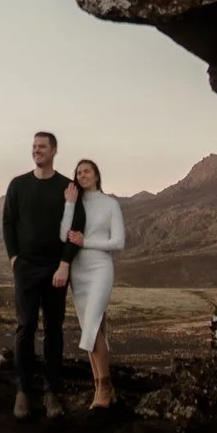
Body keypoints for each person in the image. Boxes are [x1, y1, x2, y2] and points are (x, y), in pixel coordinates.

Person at [2, 130, 78, 419]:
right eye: (34, 146)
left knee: (54, 331)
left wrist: (65, 263)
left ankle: (51, 393)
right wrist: (13, 259)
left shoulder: (66, 187)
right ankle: (23, 391)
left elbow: (73, 231)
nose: (37, 150)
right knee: (25, 327)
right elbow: (9, 223)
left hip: (56, 269)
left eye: (42, 147)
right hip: (26, 268)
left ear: (54, 150)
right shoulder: (18, 185)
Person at [61, 159, 126, 409]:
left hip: (100, 268)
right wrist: (68, 204)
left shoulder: (110, 204)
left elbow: (118, 242)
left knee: (92, 326)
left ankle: (105, 387)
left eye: (87, 170)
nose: (82, 174)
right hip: (78, 271)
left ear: (96, 175)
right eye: (78, 172)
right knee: (91, 329)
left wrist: (85, 242)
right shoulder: (75, 204)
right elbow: (62, 234)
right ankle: (100, 387)